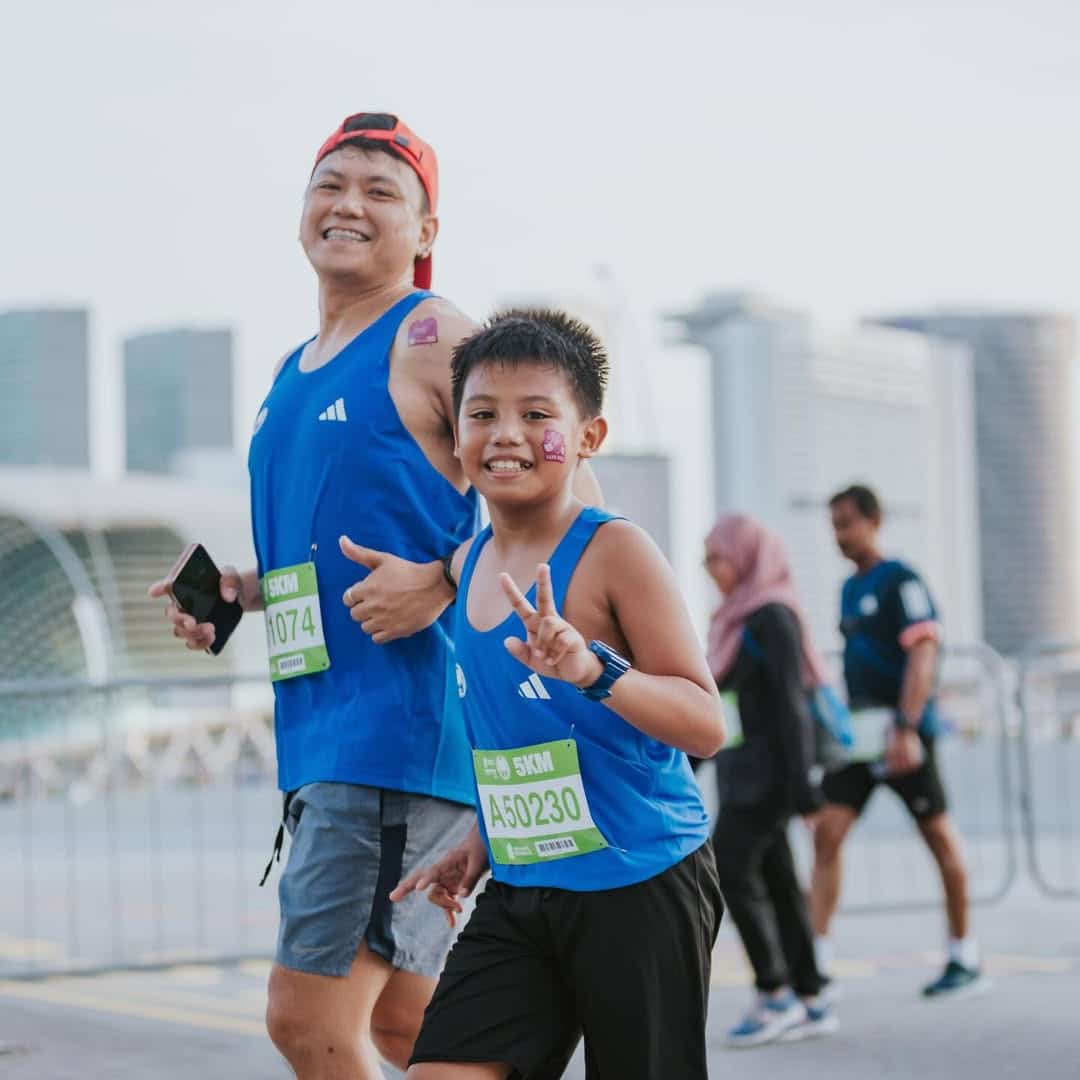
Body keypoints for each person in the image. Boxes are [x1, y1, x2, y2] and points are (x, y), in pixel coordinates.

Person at [149, 113, 600, 1080]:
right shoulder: (293, 369)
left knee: (307, 1021)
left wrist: (442, 580)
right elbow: (346, 540)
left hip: (396, 735)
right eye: (330, 184)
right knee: (407, 1027)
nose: (347, 204)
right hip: (327, 730)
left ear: (425, 231)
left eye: (380, 191)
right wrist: (239, 592)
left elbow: (572, 502)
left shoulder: (434, 335)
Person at [387, 310, 725, 1080]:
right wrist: (482, 842)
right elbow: (519, 735)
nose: (506, 434)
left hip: (638, 884)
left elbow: (706, 724)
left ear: (587, 437)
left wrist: (596, 672)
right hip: (520, 890)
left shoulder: (615, 551)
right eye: (482, 414)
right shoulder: (468, 562)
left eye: (537, 415)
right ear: (457, 436)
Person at [809, 484, 984, 998]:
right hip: (860, 738)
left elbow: (923, 653)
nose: (839, 536)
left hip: (904, 735)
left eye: (847, 524)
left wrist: (907, 727)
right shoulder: (847, 589)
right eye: (834, 526)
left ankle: (964, 956)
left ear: (874, 521)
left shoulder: (902, 581)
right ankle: (814, 964)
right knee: (827, 834)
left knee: (939, 837)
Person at [702, 514, 837, 1047]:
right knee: (778, 881)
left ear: (745, 557)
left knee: (730, 868)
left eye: (717, 557)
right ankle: (810, 996)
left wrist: (804, 791)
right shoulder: (733, 620)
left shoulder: (772, 617)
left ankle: (775, 992)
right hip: (742, 774)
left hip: (769, 779)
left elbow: (790, 705)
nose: (710, 568)